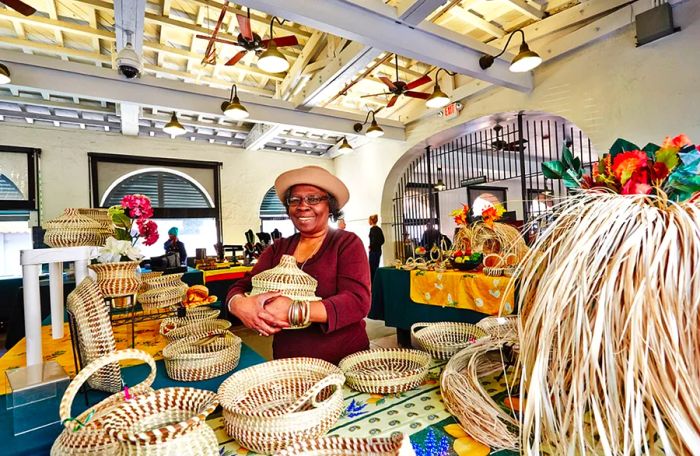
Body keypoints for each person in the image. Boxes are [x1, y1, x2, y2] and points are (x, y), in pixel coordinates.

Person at [226, 165, 371, 364]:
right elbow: (242, 286)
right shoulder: (279, 248)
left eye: (313, 199)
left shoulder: (346, 243)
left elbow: (357, 301)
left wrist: (295, 310)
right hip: (290, 361)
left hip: (344, 359)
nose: (303, 206)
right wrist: (239, 304)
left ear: (330, 205)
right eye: (295, 200)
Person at [368, 214, 384, 283]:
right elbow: (382, 240)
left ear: (371, 221)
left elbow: (373, 241)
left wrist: (370, 246)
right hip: (379, 251)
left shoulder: (372, 229)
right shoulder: (379, 229)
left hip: (373, 251)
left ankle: (373, 285)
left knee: (372, 269)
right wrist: (378, 246)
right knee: (376, 267)